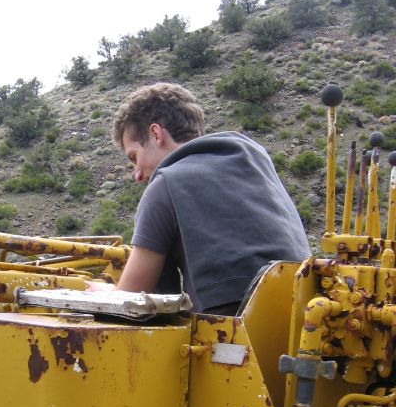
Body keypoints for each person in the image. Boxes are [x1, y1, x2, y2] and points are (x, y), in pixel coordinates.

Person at [111, 82, 311, 314]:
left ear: (156, 134)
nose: (136, 174)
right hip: (304, 320)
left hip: (231, 339)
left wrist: (104, 293)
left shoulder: (166, 185)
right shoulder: (255, 160)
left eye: (134, 157)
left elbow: (131, 300)